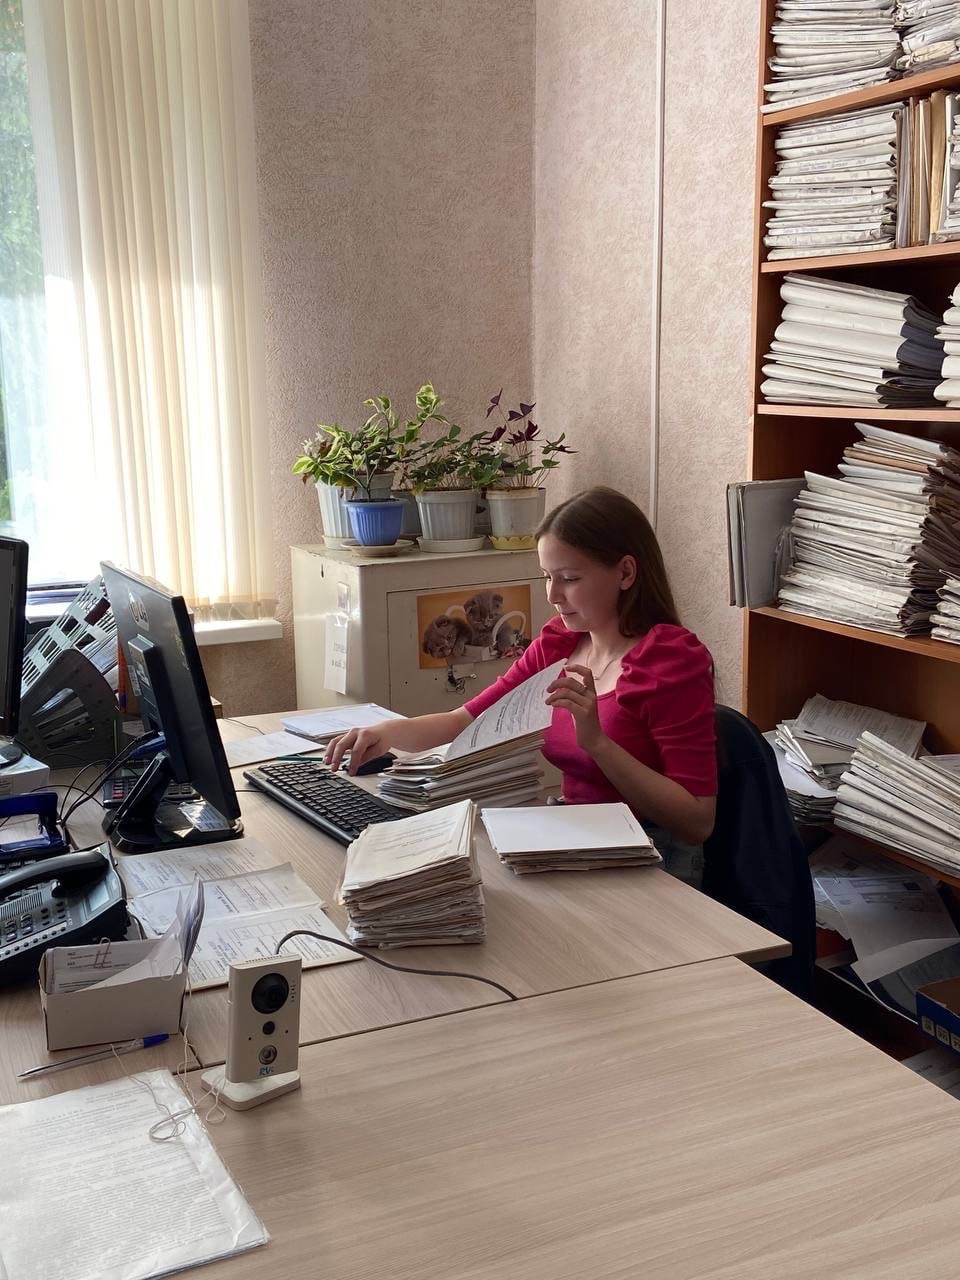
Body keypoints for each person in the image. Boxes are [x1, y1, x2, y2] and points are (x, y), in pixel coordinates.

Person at [326, 486, 717, 852]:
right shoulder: (559, 645)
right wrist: (385, 733)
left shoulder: (670, 660)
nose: (553, 595)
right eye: (547, 577)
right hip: (575, 837)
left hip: (650, 854)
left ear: (626, 573)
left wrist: (598, 743)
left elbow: (696, 822)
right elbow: (465, 720)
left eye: (570, 579)